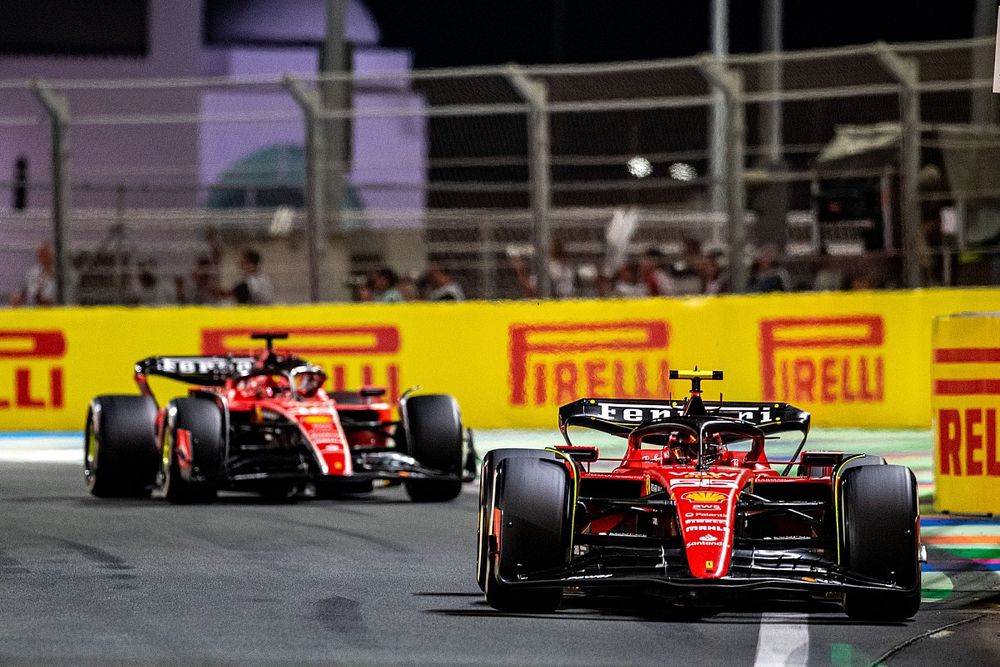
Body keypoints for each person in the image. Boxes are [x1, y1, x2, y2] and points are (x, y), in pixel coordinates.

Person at [10, 241, 56, 306]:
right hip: (33, 310)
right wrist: (18, 296)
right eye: (40, 254)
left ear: (52, 255)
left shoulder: (61, 273)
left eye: (45, 254)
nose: (41, 257)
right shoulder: (32, 273)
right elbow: (24, 290)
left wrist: (47, 301)